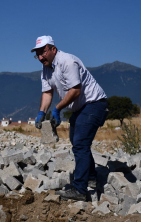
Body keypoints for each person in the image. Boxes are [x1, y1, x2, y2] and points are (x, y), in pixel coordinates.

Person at [32, 35, 108, 201]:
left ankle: (80, 189)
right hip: (81, 107)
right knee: (77, 141)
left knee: (81, 143)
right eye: (37, 54)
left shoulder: (67, 61)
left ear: (53, 49)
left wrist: (57, 109)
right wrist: (41, 113)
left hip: (94, 104)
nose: (40, 57)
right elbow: (47, 92)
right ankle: (92, 177)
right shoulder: (46, 68)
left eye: (43, 52)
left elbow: (75, 91)